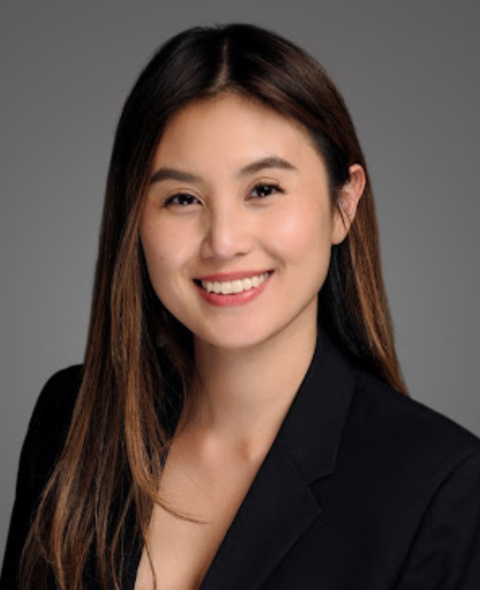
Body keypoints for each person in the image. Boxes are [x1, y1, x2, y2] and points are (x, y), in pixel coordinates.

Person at [1, 22, 480, 590]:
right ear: (134, 221)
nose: (223, 241)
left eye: (264, 190)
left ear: (342, 206)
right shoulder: (71, 419)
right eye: (182, 198)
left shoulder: (442, 488)